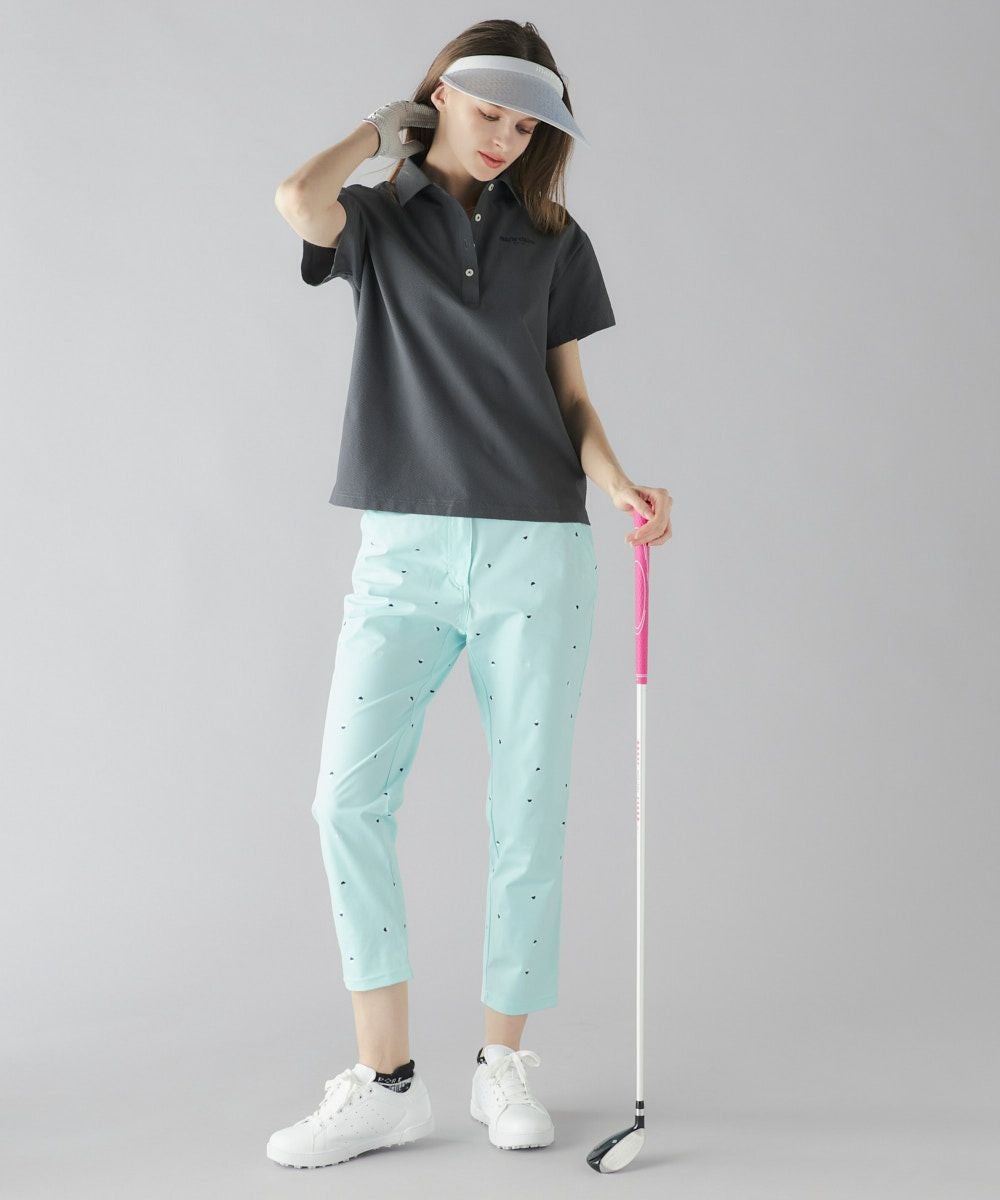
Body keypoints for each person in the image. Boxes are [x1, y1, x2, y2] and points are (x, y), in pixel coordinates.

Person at [268, 18, 673, 1169]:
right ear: (440, 96)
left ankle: (503, 1062)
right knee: (344, 802)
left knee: (525, 811)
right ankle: (387, 1083)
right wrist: (376, 134)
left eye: (527, 125)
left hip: (537, 549)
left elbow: (569, 396)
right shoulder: (378, 218)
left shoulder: (554, 239)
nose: (506, 138)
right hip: (402, 549)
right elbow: (296, 199)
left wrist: (619, 482)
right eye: (489, 112)